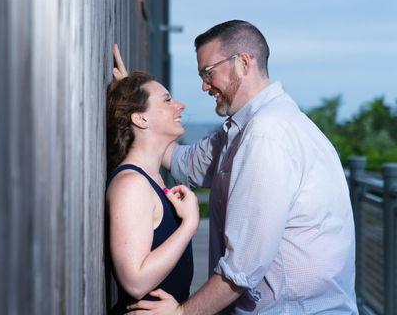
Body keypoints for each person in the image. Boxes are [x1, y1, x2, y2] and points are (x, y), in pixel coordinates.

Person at [113, 21, 358, 314]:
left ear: (243, 63)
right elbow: (186, 162)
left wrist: (181, 313)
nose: (205, 86)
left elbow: (243, 266)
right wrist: (136, 106)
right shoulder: (245, 129)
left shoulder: (267, 134)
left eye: (208, 73)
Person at [106, 70, 200, 314]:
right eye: (167, 100)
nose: (180, 106)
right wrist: (189, 223)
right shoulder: (132, 185)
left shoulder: (152, 177)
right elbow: (135, 281)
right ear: (141, 119)